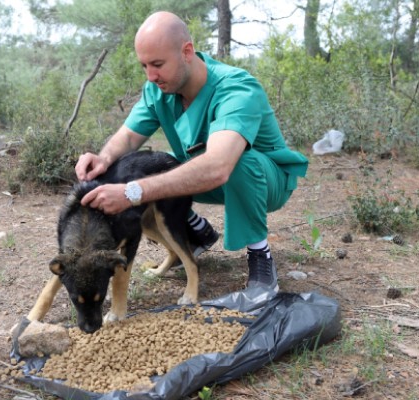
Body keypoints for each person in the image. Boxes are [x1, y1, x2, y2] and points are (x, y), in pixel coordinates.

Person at [75, 11, 308, 299]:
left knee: (238, 162)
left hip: (264, 181)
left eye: (158, 64)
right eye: (144, 66)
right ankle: (197, 231)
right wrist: (103, 158)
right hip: (213, 177)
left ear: (187, 52)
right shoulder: (159, 90)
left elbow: (219, 167)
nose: (151, 76)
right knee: (155, 164)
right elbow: (129, 136)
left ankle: (260, 258)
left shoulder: (236, 88)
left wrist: (133, 192)